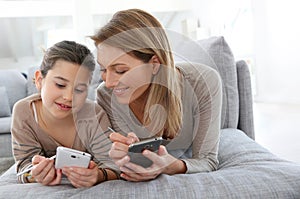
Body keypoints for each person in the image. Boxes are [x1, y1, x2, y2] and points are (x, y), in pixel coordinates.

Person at [91, 8, 222, 182]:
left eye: (121, 70)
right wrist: (123, 156)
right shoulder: (106, 95)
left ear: (154, 64)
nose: (109, 82)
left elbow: (208, 160)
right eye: (103, 69)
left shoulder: (203, 83)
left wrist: (172, 166)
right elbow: (126, 159)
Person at [11, 40, 119, 187]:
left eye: (79, 89)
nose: (69, 97)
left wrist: (98, 175)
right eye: (60, 85)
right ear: (39, 80)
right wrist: (35, 175)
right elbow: (23, 167)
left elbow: (113, 166)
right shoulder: (24, 112)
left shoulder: (94, 115)